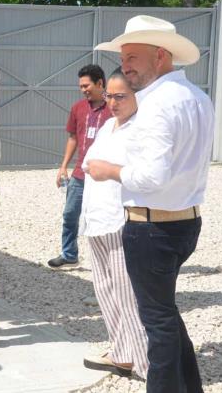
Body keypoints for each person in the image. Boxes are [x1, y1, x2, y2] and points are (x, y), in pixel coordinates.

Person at [88, 15, 214, 393]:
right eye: (123, 58)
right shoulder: (199, 98)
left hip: (151, 227)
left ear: (160, 55)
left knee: (157, 327)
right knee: (167, 318)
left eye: (132, 57)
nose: (125, 66)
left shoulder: (155, 104)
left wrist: (107, 169)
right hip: (185, 223)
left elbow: (151, 178)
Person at [80, 68, 148, 379]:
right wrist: (104, 167)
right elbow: (88, 163)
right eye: (109, 95)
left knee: (127, 292)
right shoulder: (107, 126)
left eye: (120, 96)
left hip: (122, 219)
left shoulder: (142, 129)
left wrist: (107, 168)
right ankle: (121, 353)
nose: (113, 102)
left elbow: (140, 173)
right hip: (95, 218)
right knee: (105, 290)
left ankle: (147, 364)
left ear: (137, 96)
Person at [48, 64, 112, 269]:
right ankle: (69, 254)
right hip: (79, 175)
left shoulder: (114, 108)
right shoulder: (78, 108)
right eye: (81, 86)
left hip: (104, 176)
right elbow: (73, 138)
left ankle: (110, 260)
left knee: (104, 219)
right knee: (70, 214)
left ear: (100, 83)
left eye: (87, 85)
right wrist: (63, 166)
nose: (83, 90)